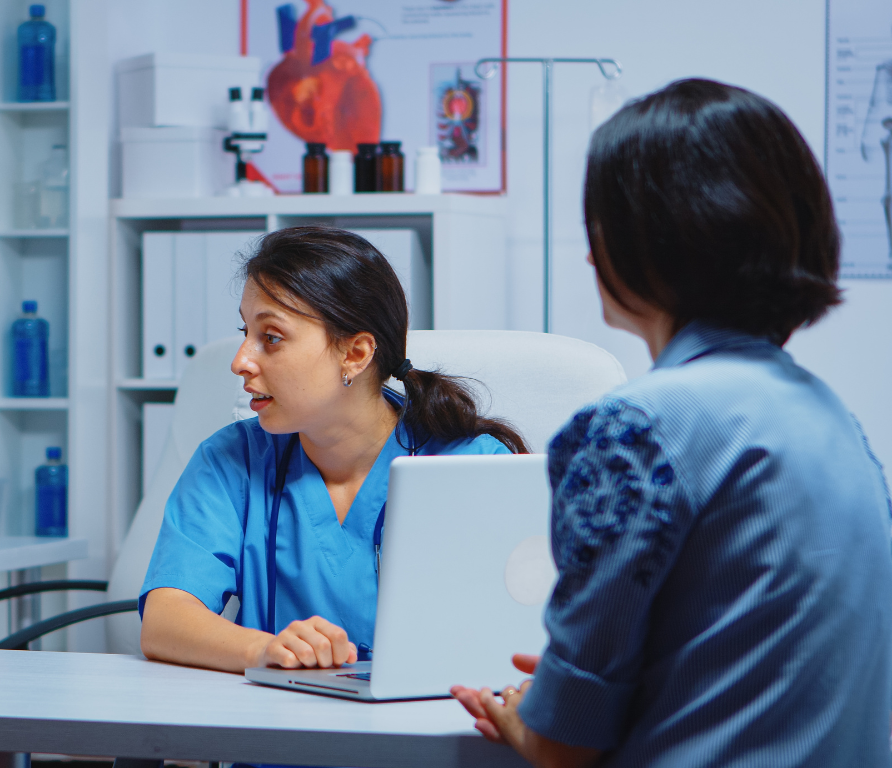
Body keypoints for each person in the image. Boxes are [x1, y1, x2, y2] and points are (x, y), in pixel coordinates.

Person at [451, 79, 892, 767]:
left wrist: (529, 721)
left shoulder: (637, 431)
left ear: (646, 239)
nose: (591, 251)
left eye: (599, 221)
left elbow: (566, 749)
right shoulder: (837, 423)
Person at [140, 226, 527, 672]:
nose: (240, 360)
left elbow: (519, 638)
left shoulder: (475, 468)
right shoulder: (233, 460)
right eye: (246, 332)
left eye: (271, 337)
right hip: (274, 728)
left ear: (356, 353)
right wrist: (261, 651)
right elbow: (165, 619)